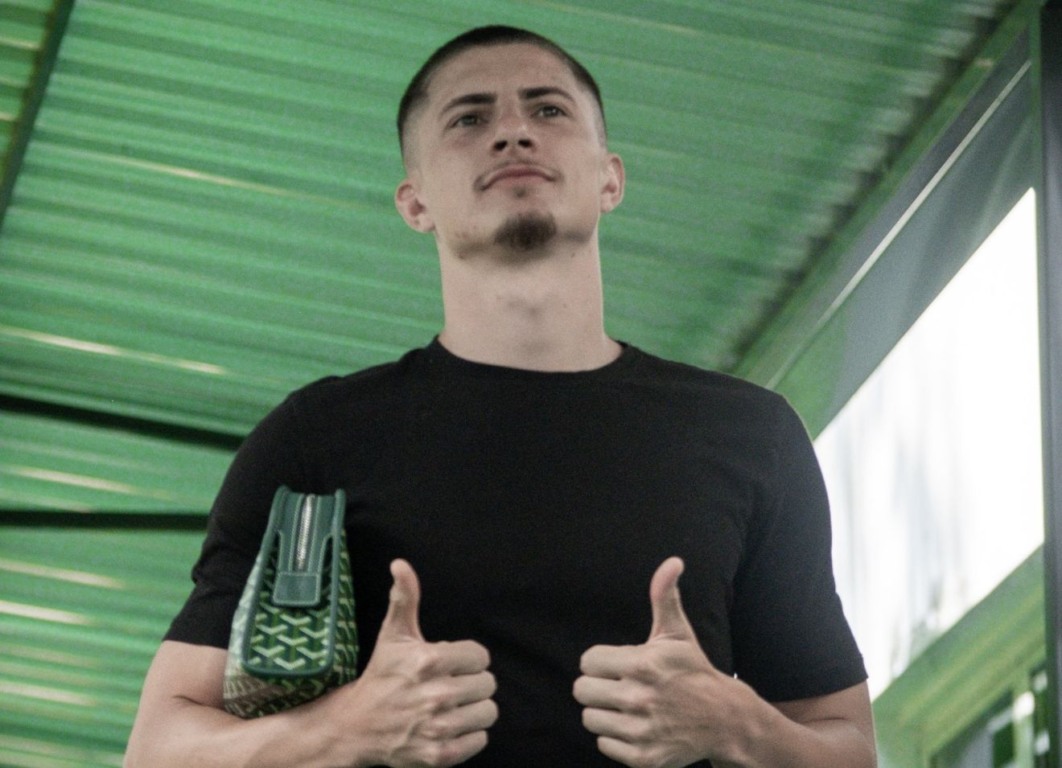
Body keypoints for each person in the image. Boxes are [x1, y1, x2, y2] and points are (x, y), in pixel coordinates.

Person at [124, 24, 877, 768]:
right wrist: (346, 728)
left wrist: (733, 723)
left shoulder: (751, 434)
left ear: (611, 177)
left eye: (548, 110)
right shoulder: (315, 439)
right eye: (470, 118)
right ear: (414, 202)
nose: (513, 132)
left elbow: (846, 745)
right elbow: (157, 750)